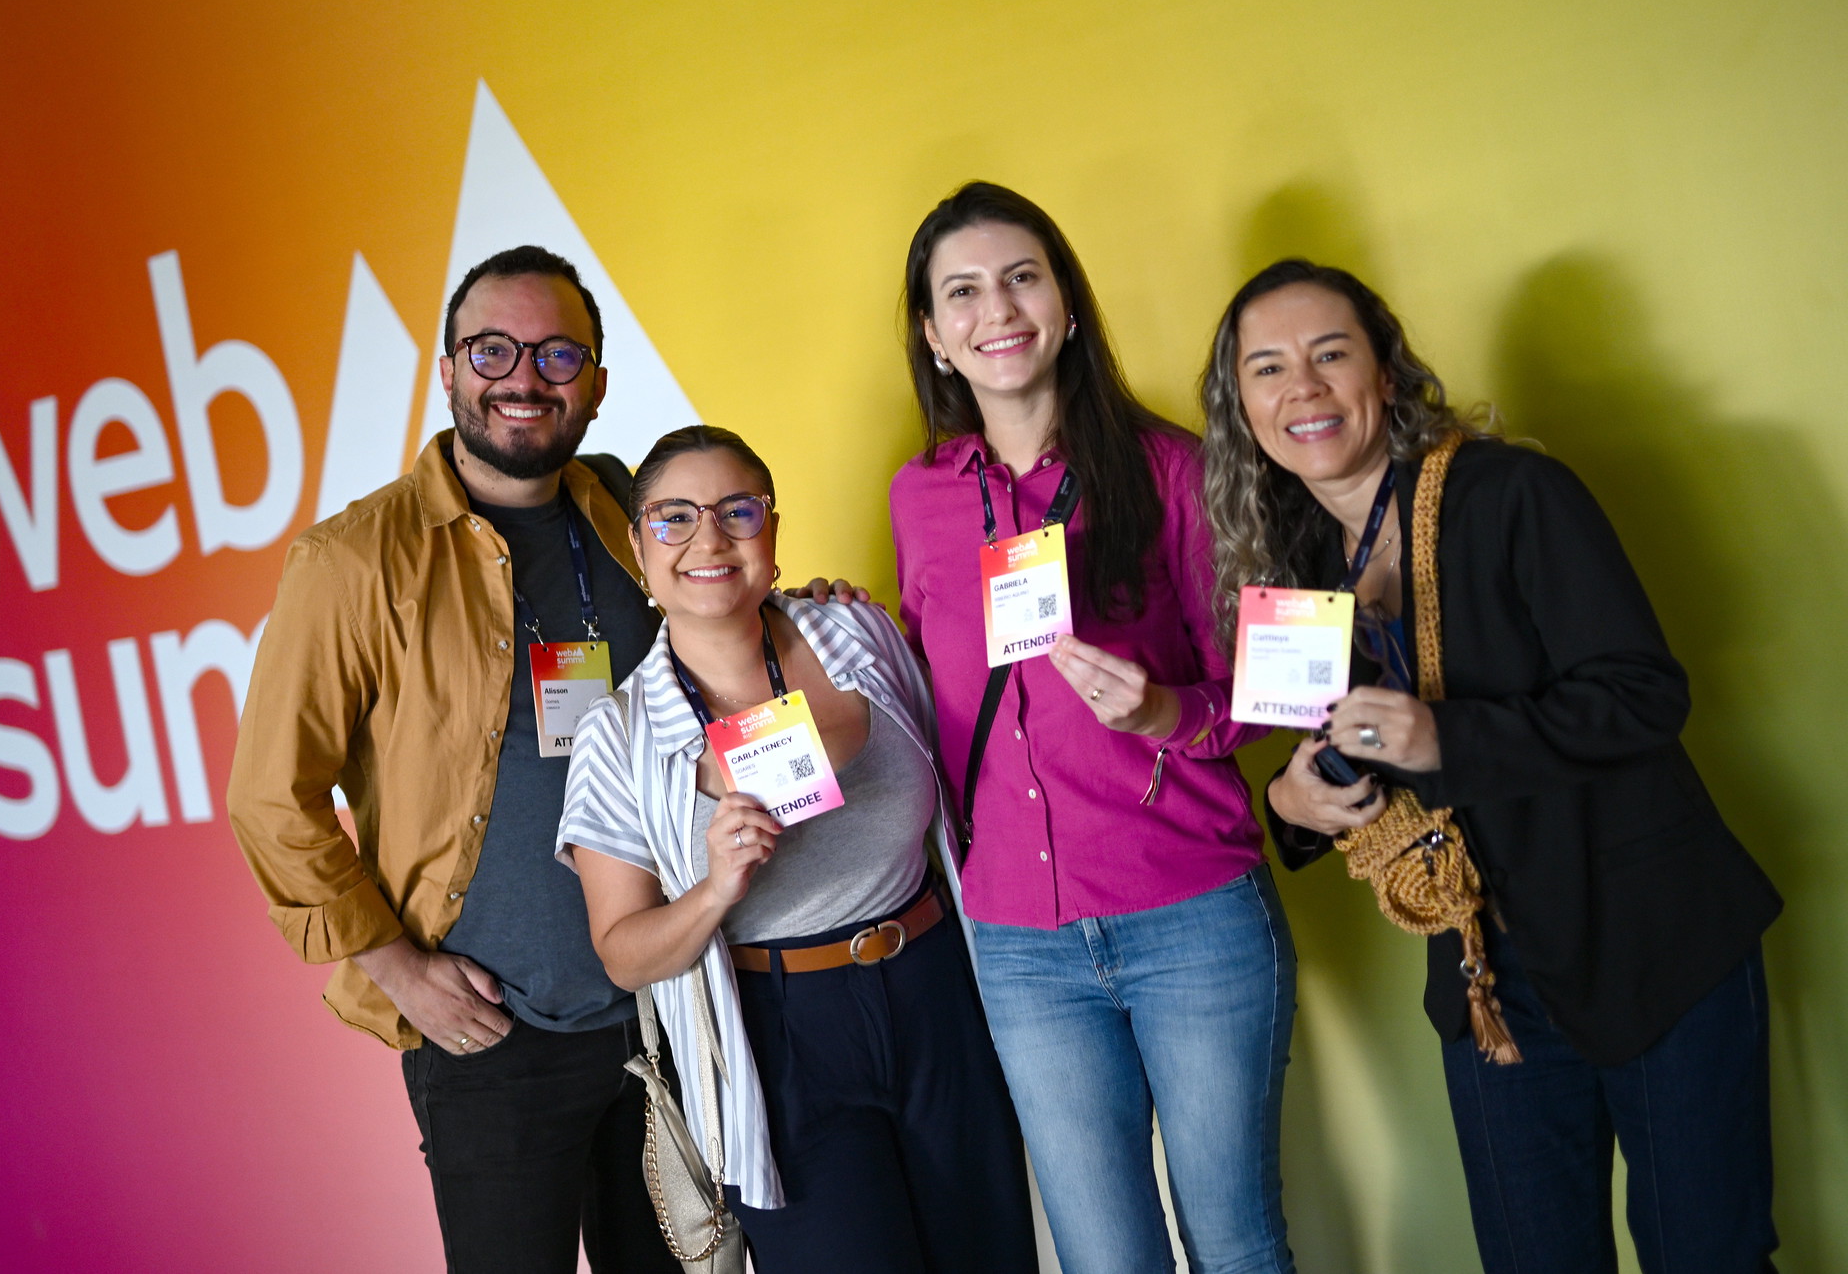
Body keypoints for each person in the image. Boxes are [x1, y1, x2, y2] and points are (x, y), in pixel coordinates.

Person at [1198, 257, 1782, 1274]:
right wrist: (1291, 807)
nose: (1303, 388)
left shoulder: (1511, 493)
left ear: (1385, 371)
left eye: (1330, 354)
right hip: (1485, 977)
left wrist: (1445, 739)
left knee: (1706, 1256)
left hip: (1649, 940)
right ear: (1240, 406)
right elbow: (1331, 757)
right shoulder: (1287, 562)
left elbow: (1646, 692)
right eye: (1267, 368)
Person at [225, 246, 682, 1274]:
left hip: (660, 1017)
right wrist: (394, 968)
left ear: (597, 385)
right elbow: (270, 796)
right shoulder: (351, 560)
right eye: (492, 349)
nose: (523, 378)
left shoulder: (628, 516)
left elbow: (711, 665)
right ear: (446, 371)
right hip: (491, 1038)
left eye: (557, 353)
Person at [889, 181, 1296, 1274]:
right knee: (1103, 1260)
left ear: (1065, 303)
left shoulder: (1174, 468)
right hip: (1019, 940)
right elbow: (926, 685)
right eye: (962, 292)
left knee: (1233, 1240)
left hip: (1191, 918)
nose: (998, 309)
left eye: (1022, 277)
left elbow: (1269, 693)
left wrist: (1166, 712)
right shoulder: (916, 496)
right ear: (934, 336)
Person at [557, 425, 1038, 1274]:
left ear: (771, 533)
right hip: (784, 1033)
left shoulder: (858, 633)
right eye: (674, 517)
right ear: (638, 546)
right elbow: (624, 955)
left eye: (737, 510)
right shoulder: (618, 734)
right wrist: (713, 890)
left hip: (937, 995)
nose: (709, 538)